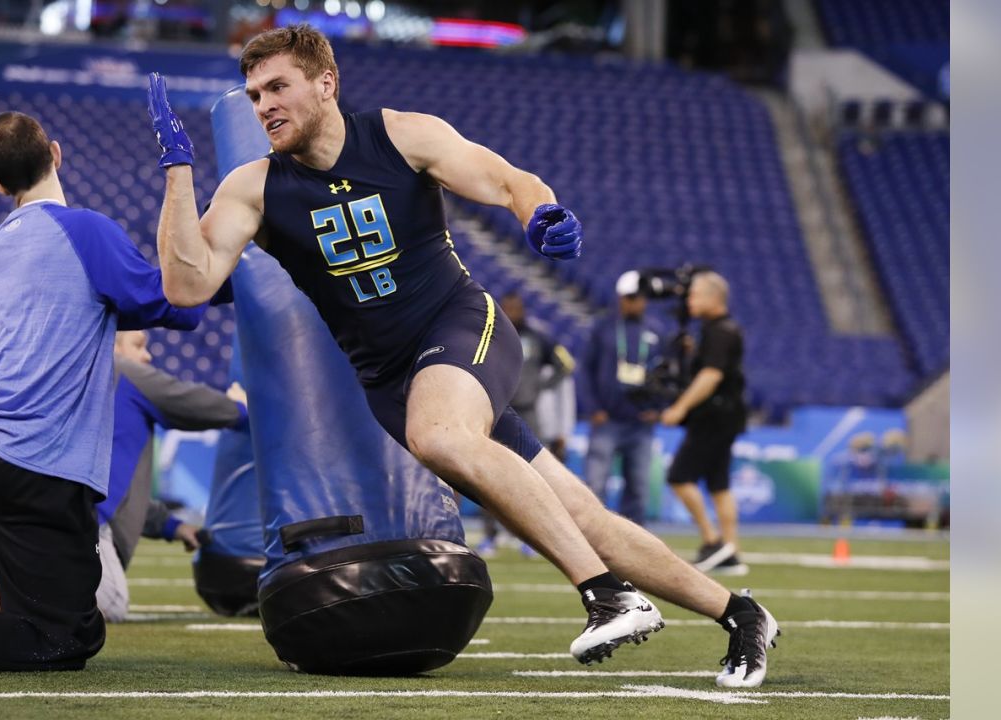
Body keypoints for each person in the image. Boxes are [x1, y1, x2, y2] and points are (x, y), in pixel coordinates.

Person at [144, 24, 778, 684]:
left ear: (326, 84)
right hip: (391, 380)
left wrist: (541, 213)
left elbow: (506, 180)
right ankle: (740, 612)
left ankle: (606, 593)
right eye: (253, 94)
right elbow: (187, 285)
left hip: (460, 326)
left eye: (277, 86)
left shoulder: (400, 135)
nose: (263, 105)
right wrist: (179, 175)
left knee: (439, 435)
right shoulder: (254, 186)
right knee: (580, 513)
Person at [0, 111, 209, 671]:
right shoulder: (86, 230)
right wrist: (228, 263)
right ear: (56, 152)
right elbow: (175, 303)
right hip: (38, 459)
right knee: (68, 636)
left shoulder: (0, 242)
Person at [0, 330, 248, 623]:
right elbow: (195, 404)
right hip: (86, 522)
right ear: (113, 347)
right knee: (107, 598)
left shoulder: (98, 390)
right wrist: (241, 408)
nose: (148, 356)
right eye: (139, 346)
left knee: (86, 596)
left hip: (60, 507)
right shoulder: (126, 372)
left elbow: (121, 494)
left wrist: (175, 527)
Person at [661, 272, 750, 575]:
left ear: (714, 297)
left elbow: (711, 376)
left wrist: (679, 407)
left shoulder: (719, 331)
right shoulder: (718, 330)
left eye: (695, 295)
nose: (689, 300)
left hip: (713, 418)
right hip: (725, 417)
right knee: (719, 485)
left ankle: (714, 542)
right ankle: (731, 552)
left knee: (679, 476)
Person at [473, 292, 575, 558]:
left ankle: (533, 539)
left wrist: (541, 386)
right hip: (495, 409)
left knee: (535, 475)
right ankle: (489, 536)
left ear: (523, 310)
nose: (511, 312)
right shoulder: (489, 333)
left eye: (515, 307)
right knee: (488, 474)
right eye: (506, 307)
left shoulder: (536, 336)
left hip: (528, 413)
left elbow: (565, 364)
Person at [582, 270, 666, 525]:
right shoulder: (603, 328)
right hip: (607, 419)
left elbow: (666, 373)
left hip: (640, 422)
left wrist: (659, 407)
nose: (635, 302)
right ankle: (592, 538)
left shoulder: (656, 330)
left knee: (638, 489)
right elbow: (585, 369)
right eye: (630, 297)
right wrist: (593, 408)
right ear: (620, 298)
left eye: (640, 297)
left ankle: (635, 545)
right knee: (595, 485)